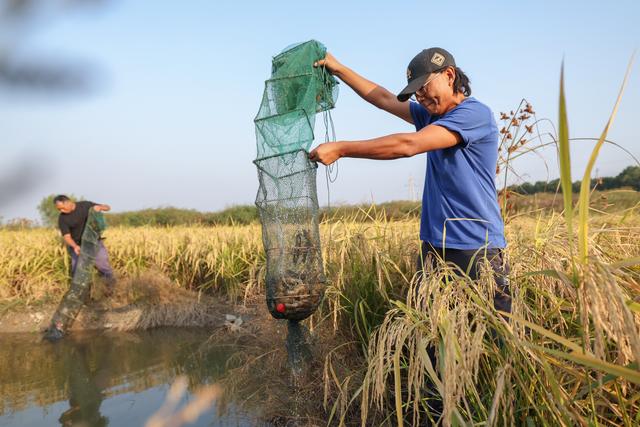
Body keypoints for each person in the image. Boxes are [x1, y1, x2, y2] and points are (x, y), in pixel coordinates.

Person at [309, 48, 510, 313]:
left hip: (476, 248)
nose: (420, 97)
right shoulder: (433, 115)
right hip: (434, 247)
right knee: (428, 335)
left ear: (449, 75)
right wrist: (339, 68)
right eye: (416, 92)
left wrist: (342, 149)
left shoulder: (474, 115)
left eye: (424, 87)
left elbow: (408, 145)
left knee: (492, 338)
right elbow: (382, 98)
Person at [54, 195, 116, 290]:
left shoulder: (85, 205)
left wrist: (99, 207)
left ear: (68, 202)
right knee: (77, 271)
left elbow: (108, 207)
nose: (61, 211)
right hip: (78, 246)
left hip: (95, 243)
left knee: (103, 267)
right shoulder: (62, 218)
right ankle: (82, 293)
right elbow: (67, 237)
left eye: (62, 208)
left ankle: (111, 289)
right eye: (59, 209)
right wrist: (74, 246)